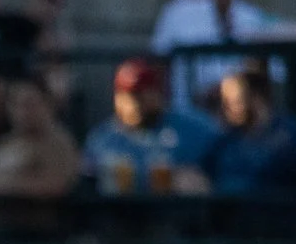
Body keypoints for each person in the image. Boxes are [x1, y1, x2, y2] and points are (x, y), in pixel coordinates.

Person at [149, 0, 292, 108]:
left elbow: (274, 70)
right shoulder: (179, 10)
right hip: (189, 106)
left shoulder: (251, 16)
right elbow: (159, 60)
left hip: (238, 108)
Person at [202, 66, 296, 218]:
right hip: (230, 221)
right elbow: (203, 174)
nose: (227, 108)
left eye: (235, 101)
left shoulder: (290, 133)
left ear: (256, 98)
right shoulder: (226, 139)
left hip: (276, 220)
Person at [82, 57, 216, 197]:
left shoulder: (192, 127)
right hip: (120, 209)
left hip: (175, 208)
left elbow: (223, 160)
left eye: (140, 96)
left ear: (157, 94)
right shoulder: (102, 138)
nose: (133, 104)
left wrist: (206, 181)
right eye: (125, 95)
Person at [0, 75, 78, 203]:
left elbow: (55, 185)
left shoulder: (58, 143)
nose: (22, 112)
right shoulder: (4, 143)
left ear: (47, 104)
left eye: (29, 104)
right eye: (15, 104)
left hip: (28, 213)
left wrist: (1, 186)